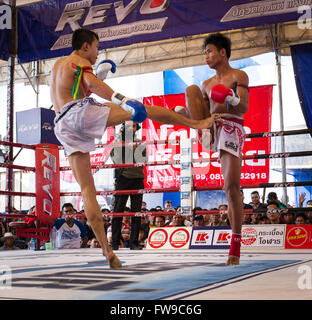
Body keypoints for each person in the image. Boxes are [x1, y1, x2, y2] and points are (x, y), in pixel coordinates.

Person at [51, 28, 217, 268]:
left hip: (62, 124)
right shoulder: (79, 61)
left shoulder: (59, 65)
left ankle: (108, 252)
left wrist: (97, 79)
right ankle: (196, 123)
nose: (98, 53)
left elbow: (76, 87)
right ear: (86, 46)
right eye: (97, 48)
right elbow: (91, 84)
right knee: (142, 109)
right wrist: (123, 100)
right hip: (77, 113)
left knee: (87, 189)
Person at [183, 33, 249, 265]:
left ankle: (236, 242)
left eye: (210, 51)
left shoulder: (238, 75)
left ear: (223, 52)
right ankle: (196, 126)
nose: (207, 57)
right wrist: (192, 117)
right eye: (205, 53)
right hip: (211, 125)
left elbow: (244, 106)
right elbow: (202, 105)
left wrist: (230, 97)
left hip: (231, 126)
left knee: (231, 187)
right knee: (191, 90)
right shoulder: (206, 84)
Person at [110, 122, 145, 250]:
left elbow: (143, 160)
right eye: (129, 126)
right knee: (118, 211)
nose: (132, 128)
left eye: (134, 126)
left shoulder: (140, 142)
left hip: (137, 178)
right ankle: (114, 242)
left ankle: (134, 242)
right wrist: (120, 140)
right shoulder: (118, 141)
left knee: (136, 212)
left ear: (137, 128)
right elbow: (115, 159)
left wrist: (134, 148)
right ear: (124, 127)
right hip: (122, 177)